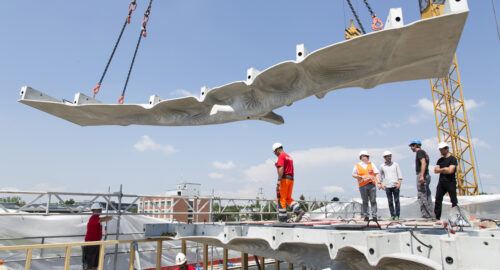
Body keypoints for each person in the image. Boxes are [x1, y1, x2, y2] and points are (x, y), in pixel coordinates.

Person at [272, 142, 305, 222]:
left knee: (281, 199)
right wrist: (278, 166)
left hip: (284, 179)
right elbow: (287, 168)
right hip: (290, 179)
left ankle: (283, 219)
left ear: (277, 150)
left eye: (275, 152)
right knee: (288, 198)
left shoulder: (281, 156)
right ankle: (299, 210)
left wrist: (279, 180)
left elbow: (281, 169)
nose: (275, 154)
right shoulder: (289, 157)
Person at [352, 150, 382, 221]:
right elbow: (353, 174)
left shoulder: (372, 164)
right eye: (364, 156)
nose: (365, 158)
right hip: (363, 185)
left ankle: (374, 216)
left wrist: (379, 183)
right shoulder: (357, 165)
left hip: (372, 184)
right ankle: (366, 216)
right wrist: (358, 177)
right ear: (361, 157)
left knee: (373, 200)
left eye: (367, 156)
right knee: (365, 201)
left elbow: (376, 173)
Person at [82, 203, 113, 270]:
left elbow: (100, 220)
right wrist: (110, 217)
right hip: (90, 244)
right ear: (93, 210)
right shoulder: (93, 218)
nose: (100, 211)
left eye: (100, 210)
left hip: (96, 243)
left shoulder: (97, 218)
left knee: (95, 264)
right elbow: (101, 220)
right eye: (98, 210)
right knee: (87, 265)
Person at [409, 139, 434, 219]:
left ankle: (426, 215)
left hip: (422, 174)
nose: (411, 148)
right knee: (427, 195)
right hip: (427, 174)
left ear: (416, 145)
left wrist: (421, 175)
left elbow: (423, 163)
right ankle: (431, 213)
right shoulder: (424, 152)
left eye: (412, 146)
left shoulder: (420, 152)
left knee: (422, 195)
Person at [434, 142, 459, 220]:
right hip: (441, 182)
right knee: (438, 199)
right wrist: (444, 169)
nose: (441, 151)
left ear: (447, 149)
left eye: (442, 149)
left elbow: (450, 171)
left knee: (453, 200)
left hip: (450, 181)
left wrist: (441, 170)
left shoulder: (453, 159)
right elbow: (435, 170)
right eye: (440, 149)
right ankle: (437, 217)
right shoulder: (440, 160)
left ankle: (455, 217)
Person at [379, 150, 403, 220]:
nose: (389, 158)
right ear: (385, 157)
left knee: (396, 201)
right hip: (387, 186)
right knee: (390, 201)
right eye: (388, 156)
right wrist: (381, 184)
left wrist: (399, 183)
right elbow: (380, 176)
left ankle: (397, 215)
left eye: (390, 156)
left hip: (395, 185)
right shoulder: (382, 166)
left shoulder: (395, 164)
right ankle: (392, 214)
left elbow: (400, 175)